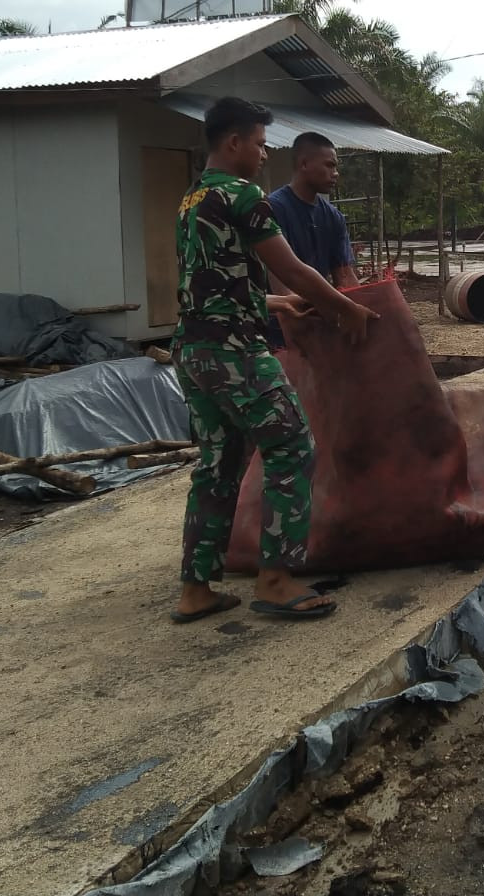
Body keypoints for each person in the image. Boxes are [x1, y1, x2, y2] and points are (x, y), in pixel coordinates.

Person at [171, 97, 377, 625]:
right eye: (261, 145)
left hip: (194, 350)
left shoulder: (191, 199)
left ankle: (196, 589)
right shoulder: (245, 197)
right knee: (292, 446)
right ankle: (278, 579)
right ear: (234, 142)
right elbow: (299, 269)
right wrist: (348, 308)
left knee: (219, 463)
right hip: (236, 350)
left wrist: (276, 302)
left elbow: (212, 285)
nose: (265, 155)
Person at [264, 132, 361, 349]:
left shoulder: (333, 217)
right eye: (329, 166)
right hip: (278, 331)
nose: (335, 174)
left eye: (336, 167)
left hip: (319, 321)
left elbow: (345, 276)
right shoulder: (272, 209)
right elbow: (282, 285)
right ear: (304, 163)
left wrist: (360, 305)